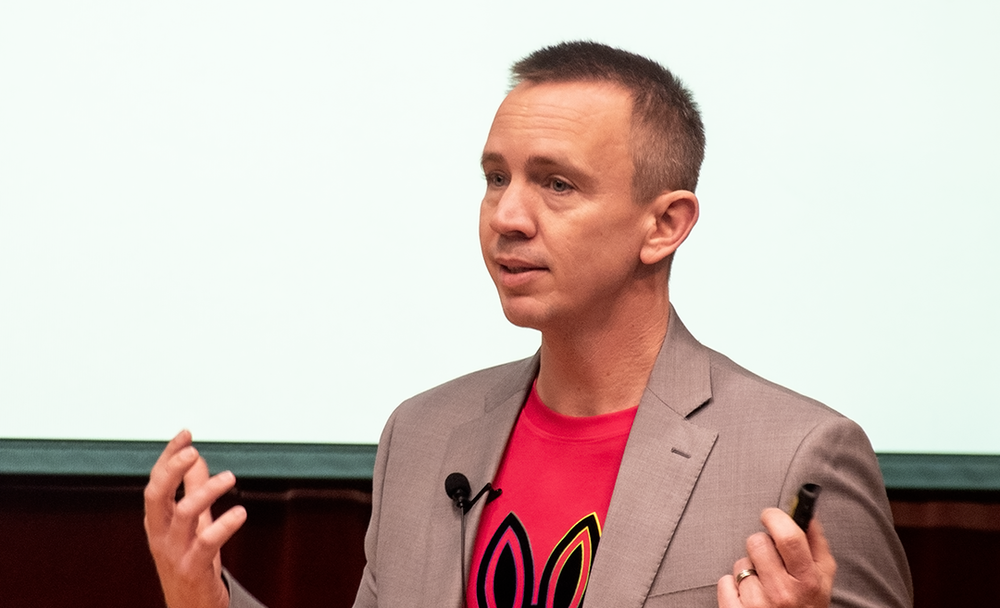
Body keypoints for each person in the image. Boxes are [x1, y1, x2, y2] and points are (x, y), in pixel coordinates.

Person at [145, 41, 913, 608]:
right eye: (495, 178)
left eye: (557, 184)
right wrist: (202, 599)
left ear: (664, 225)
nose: (507, 216)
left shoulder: (797, 457)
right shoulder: (422, 435)